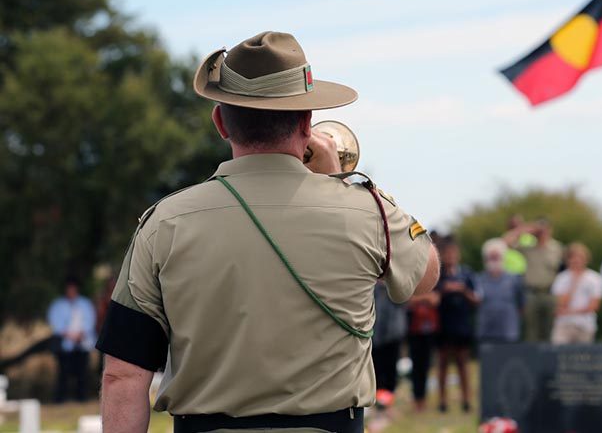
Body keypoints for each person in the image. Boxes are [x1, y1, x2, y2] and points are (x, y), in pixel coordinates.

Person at [96, 31, 440, 433]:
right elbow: (425, 276)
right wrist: (338, 180)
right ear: (307, 121)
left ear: (221, 122)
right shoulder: (367, 210)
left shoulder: (164, 222)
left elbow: (123, 375)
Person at [436, 238, 480, 413]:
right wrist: (444, 290)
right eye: (447, 254)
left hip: (462, 323)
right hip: (443, 323)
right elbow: (432, 298)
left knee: (463, 362)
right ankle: (442, 400)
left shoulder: (467, 274)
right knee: (443, 362)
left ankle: (466, 398)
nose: (451, 257)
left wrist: (462, 291)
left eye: (453, 253)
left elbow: (477, 299)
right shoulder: (437, 274)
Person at [504, 218, 563, 342]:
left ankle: (547, 360)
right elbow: (505, 242)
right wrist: (526, 229)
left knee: (549, 331)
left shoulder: (557, 248)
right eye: (540, 230)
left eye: (544, 229)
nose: (542, 233)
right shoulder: (527, 248)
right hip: (531, 294)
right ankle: (533, 360)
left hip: (550, 294)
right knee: (531, 332)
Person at [47, 277, 96, 403]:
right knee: (63, 373)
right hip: (65, 345)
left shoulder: (85, 304)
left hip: (82, 343)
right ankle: (60, 399)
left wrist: (80, 334)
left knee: (82, 373)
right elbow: (55, 324)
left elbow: (90, 322)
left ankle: (82, 398)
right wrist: (68, 335)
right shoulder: (58, 305)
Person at [550, 243, 602, 344]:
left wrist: (569, 312)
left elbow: (594, 306)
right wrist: (573, 283)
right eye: (573, 258)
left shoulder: (595, 278)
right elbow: (560, 303)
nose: (576, 261)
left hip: (585, 325)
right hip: (564, 324)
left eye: (580, 258)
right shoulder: (561, 278)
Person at [475, 238, 524, 343]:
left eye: (496, 257)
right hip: (486, 331)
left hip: (508, 331)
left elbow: (521, 303)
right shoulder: (479, 279)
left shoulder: (514, 279)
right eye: (491, 258)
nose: (493, 261)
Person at [371, 281, 407, 411]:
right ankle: (379, 399)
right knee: (377, 368)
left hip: (393, 334)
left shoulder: (395, 285)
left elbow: (403, 300)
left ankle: (388, 400)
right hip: (376, 334)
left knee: (391, 368)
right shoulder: (371, 286)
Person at [406, 284, 440, 412]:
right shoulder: (412, 283)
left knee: (426, 366)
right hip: (414, 331)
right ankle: (416, 398)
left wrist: (419, 299)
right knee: (416, 367)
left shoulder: (435, 282)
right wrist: (425, 298)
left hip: (429, 331)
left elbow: (435, 300)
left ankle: (423, 399)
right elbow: (408, 301)